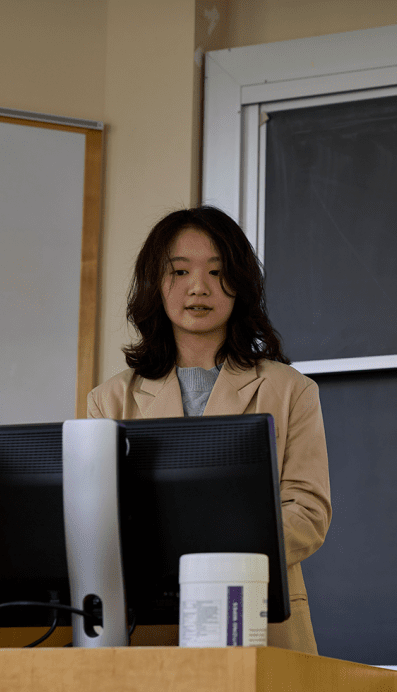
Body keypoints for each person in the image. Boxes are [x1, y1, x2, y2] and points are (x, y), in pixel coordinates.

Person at [88, 205, 331, 654]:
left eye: (217, 272)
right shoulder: (110, 400)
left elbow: (308, 514)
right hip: (149, 628)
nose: (198, 287)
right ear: (154, 284)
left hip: (258, 617)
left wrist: (204, 550)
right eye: (179, 271)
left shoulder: (291, 389)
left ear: (240, 283)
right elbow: (99, 520)